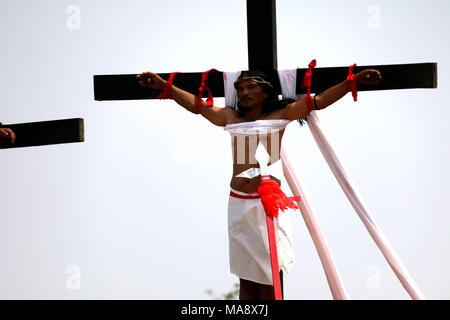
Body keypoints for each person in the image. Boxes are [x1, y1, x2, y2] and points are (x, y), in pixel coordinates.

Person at [137, 68, 381, 299]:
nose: (244, 93)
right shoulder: (230, 117)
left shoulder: (281, 115)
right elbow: (197, 106)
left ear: (265, 92)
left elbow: (318, 101)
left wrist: (353, 83)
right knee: (245, 277)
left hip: (267, 204)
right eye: (240, 89)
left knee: (268, 276)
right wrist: (165, 86)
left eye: (250, 87)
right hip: (238, 204)